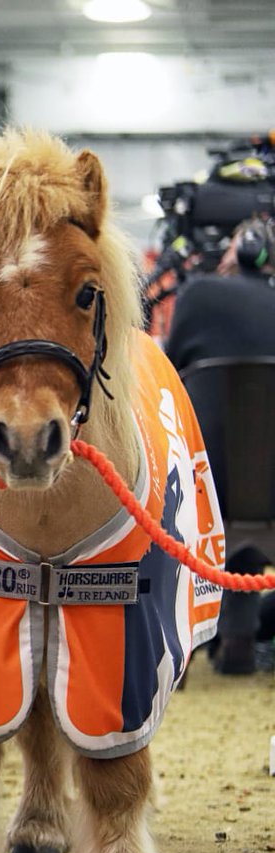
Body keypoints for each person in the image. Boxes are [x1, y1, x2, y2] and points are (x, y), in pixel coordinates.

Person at [165, 215, 275, 673]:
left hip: (204, 493)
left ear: (236, 250)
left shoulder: (198, 296)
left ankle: (201, 637)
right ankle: (243, 637)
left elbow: (163, 380)